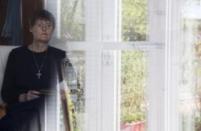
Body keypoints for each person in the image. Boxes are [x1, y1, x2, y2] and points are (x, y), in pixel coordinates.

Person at [0, 9, 73, 131]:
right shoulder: (16, 55)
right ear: (31, 28)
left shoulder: (60, 56)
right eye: (40, 25)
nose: (45, 29)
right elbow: (6, 93)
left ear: (52, 30)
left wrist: (65, 95)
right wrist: (24, 97)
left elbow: (76, 89)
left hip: (50, 110)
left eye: (49, 25)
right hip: (22, 110)